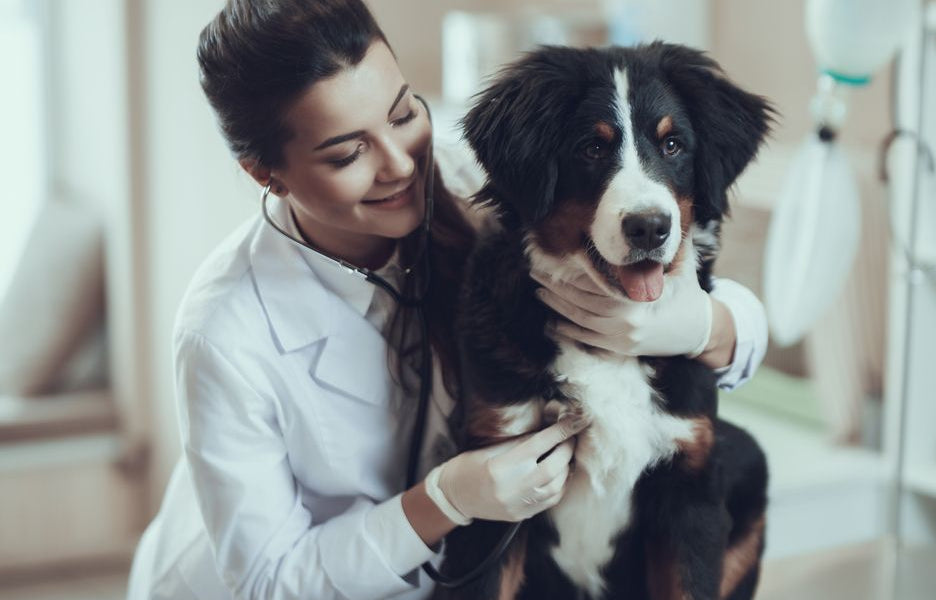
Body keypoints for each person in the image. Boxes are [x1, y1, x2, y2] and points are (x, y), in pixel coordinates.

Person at [126, 1, 768, 599]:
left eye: (403, 113)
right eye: (348, 152)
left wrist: (704, 324)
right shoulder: (223, 331)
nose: (400, 166)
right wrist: (446, 499)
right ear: (264, 172)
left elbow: (726, 314)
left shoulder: (471, 174)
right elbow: (270, 579)